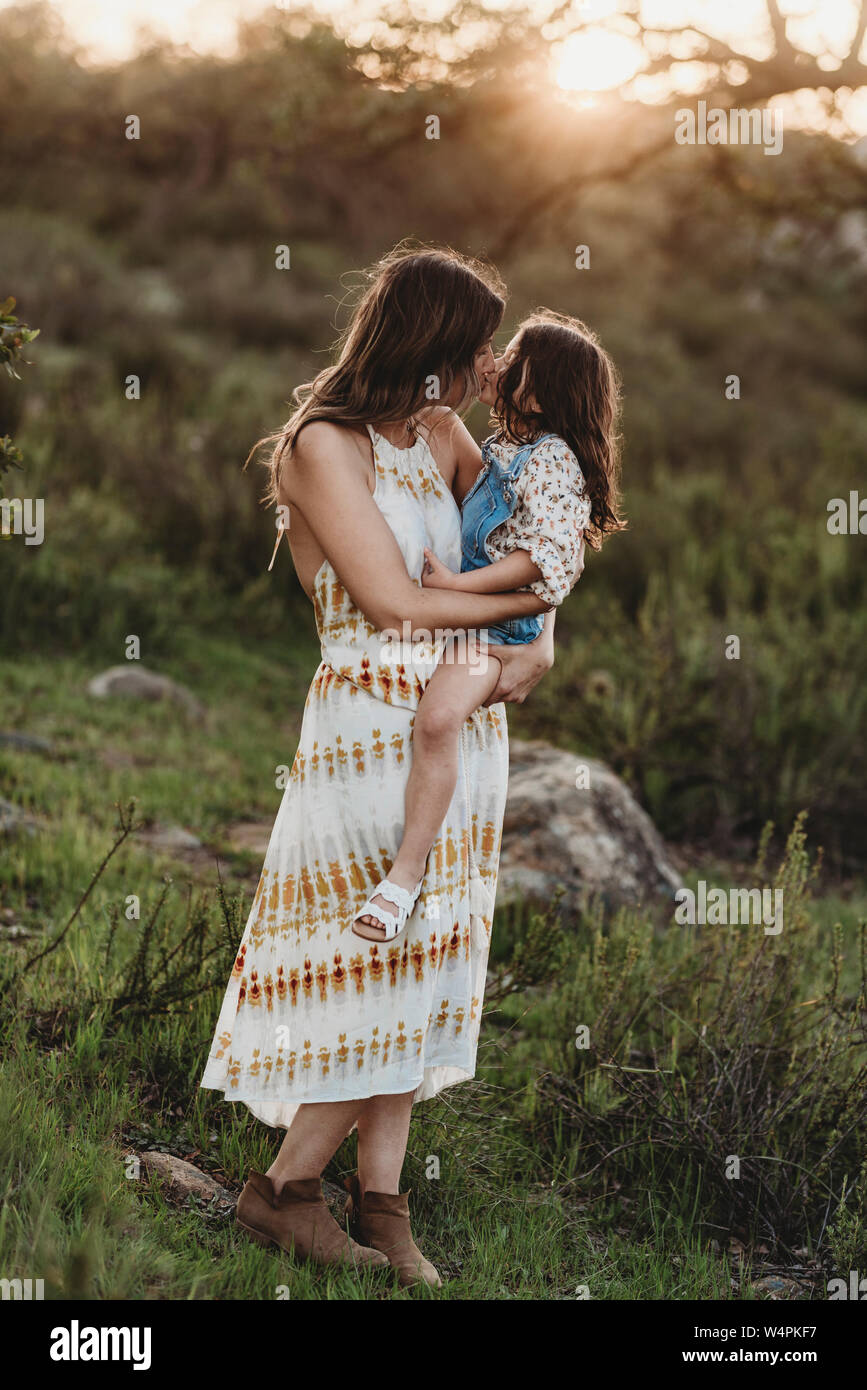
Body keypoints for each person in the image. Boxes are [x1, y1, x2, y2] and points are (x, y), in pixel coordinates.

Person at [200, 246, 558, 1288]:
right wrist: (512, 625)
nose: (487, 363)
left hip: (461, 724)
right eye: (474, 342)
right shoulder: (321, 444)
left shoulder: (442, 434)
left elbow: (536, 543)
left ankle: (385, 1203)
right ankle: (286, 1191)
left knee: (428, 955)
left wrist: (541, 641)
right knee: (371, 958)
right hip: (367, 728)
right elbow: (392, 601)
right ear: (429, 341)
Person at [353, 309, 623, 943]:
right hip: (468, 623)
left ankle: (402, 878)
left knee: (440, 720)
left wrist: (456, 586)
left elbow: (547, 562)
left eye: (512, 357)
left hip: (494, 635)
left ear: (540, 387)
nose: (497, 363)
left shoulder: (553, 460)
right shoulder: (506, 447)